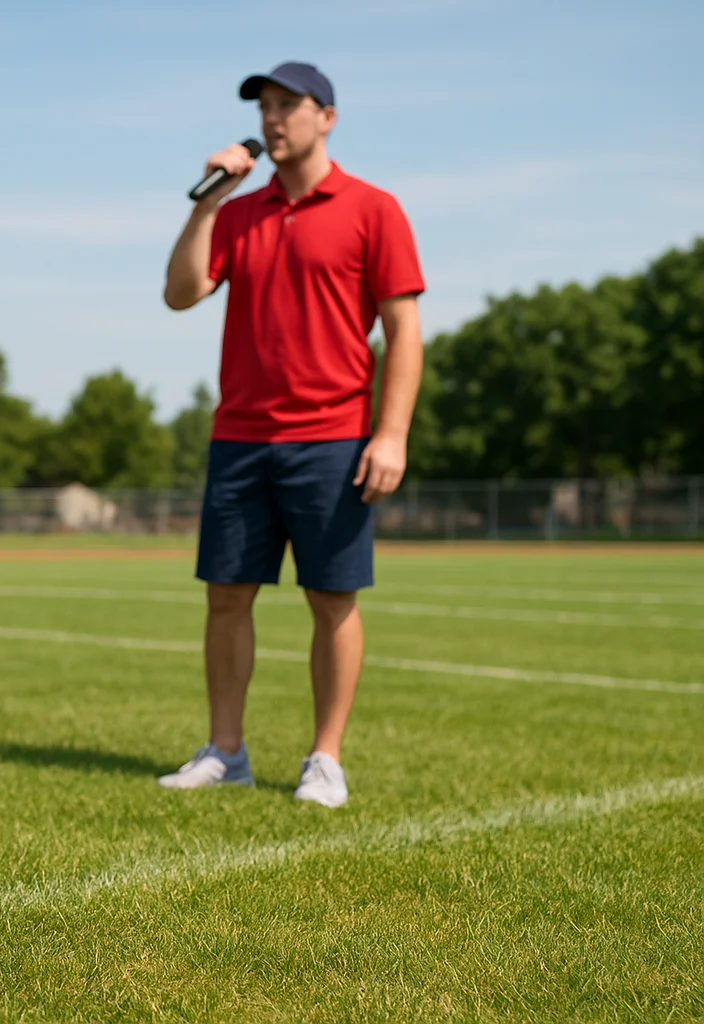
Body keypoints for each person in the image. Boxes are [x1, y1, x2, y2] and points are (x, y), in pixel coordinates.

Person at [158, 62, 425, 807]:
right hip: (240, 438)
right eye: (264, 107)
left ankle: (325, 759)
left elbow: (404, 332)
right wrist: (209, 202)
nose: (274, 119)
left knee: (331, 598)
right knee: (225, 598)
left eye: (288, 105)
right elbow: (180, 293)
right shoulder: (238, 213)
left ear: (327, 116)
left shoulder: (374, 209)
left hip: (334, 438)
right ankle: (226, 751)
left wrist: (391, 433)